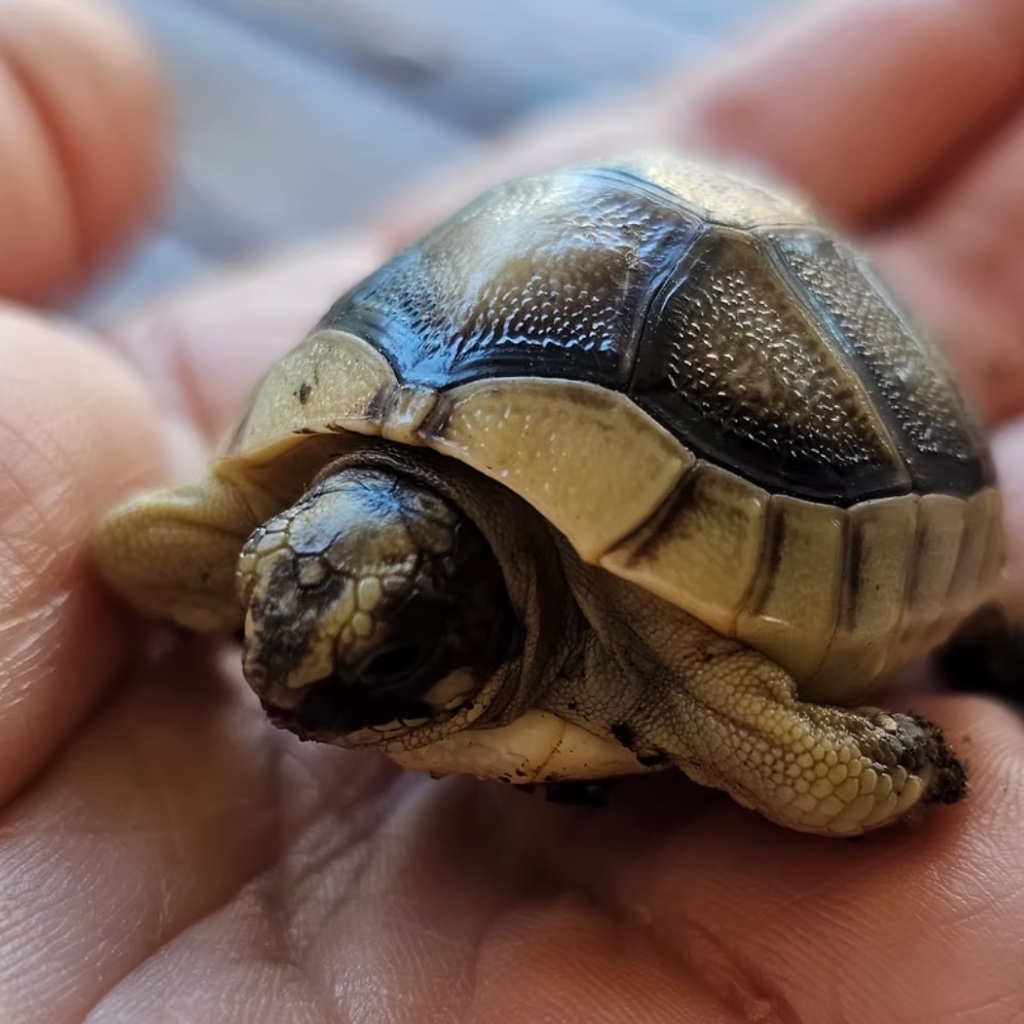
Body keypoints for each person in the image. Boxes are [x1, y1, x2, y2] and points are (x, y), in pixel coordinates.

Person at [1, 0, 1021, 1020]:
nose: (286, 705)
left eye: (391, 662)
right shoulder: (311, 530)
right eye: (259, 576)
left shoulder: (653, 646)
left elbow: (802, 763)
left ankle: (988, 613)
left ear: (485, 623)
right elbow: (141, 550)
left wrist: (876, 773)